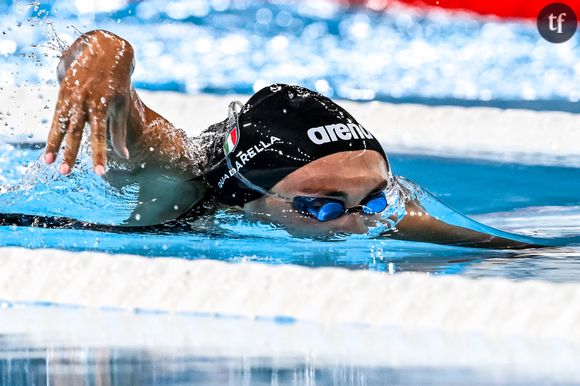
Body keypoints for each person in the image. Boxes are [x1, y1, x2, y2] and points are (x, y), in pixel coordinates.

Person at [39, 30, 541, 248]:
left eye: (374, 197)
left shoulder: (368, 208)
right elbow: (120, 99)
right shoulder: (175, 178)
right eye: (321, 207)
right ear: (251, 196)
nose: (360, 222)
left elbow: (500, 246)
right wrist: (107, 54)